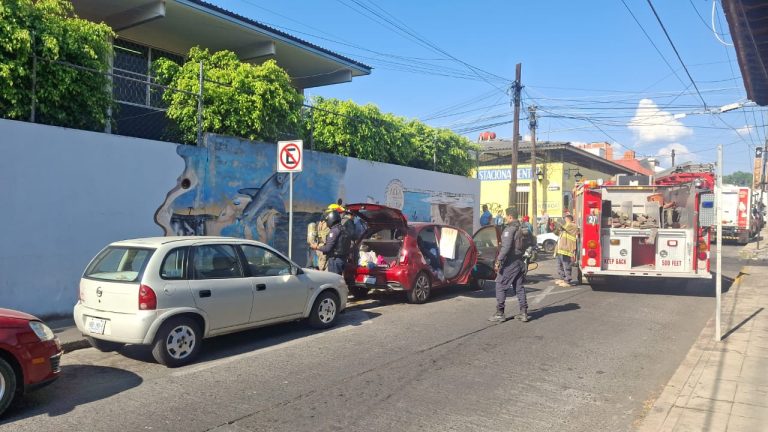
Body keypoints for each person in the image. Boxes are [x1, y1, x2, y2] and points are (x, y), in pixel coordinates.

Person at [489, 208, 530, 323]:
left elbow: (506, 248)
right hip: (520, 261)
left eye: (506, 217)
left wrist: (498, 260)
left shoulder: (509, 230)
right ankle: (524, 313)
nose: (506, 218)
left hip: (510, 263)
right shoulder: (524, 228)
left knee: (500, 285)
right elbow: (532, 243)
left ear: (510, 217)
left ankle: (500, 313)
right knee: (519, 287)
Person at [311, 211, 350, 275]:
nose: (326, 223)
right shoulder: (344, 229)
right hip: (343, 259)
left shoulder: (334, 231)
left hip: (335, 260)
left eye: (327, 221)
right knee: (339, 280)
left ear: (331, 219)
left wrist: (316, 247)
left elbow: (327, 248)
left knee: (333, 281)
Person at [554, 214, 579, 287]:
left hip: (566, 249)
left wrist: (559, 223)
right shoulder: (565, 228)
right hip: (560, 249)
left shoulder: (572, 225)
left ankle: (567, 280)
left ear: (569, 219)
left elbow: (563, 226)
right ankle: (562, 278)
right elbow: (556, 233)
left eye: (565, 218)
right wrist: (555, 228)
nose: (564, 220)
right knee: (560, 265)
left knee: (566, 265)